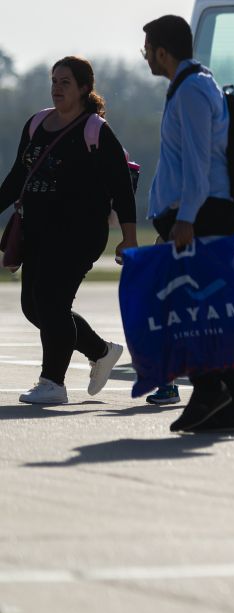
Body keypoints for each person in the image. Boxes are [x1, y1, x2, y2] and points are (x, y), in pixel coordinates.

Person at [0, 57, 131, 405]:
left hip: (80, 234)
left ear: (85, 88)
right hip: (37, 231)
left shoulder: (94, 131)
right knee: (34, 307)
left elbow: (122, 187)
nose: (57, 87)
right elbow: (17, 178)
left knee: (51, 301)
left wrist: (129, 238)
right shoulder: (37, 124)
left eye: (66, 82)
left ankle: (52, 383)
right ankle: (101, 351)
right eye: (54, 81)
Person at [141, 14, 234, 432]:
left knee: (189, 309)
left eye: (147, 49)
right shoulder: (193, 84)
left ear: (162, 52)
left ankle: (210, 393)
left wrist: (185, 218)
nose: (145, 56)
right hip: (201, 214)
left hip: (203, 216)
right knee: (210, 311)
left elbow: (198, 164)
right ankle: (231, 404)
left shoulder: (190, 91)